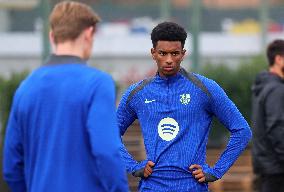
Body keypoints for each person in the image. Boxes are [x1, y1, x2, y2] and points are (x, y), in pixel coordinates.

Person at [3, 1, 128, 192]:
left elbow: (12, 167)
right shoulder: (98, 83)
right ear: (88, 34)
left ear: (52, 36)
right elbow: (107, 152)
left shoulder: (25, 88)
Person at [117, 21, 252, 191]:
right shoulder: (137, 93)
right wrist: (133, 166)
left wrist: (216, 171)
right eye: (162, 53)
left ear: (183, 54)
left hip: (191, 187)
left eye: (175, 53)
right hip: (152, 187)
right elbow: (110, 133)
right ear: (153, 53)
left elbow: (242, 130)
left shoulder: (205, 88)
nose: (169, 60)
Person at [251, 39, 284, 192]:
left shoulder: (264, 87)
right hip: (277, 170)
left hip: (267, 169)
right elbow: (277, 128)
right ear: (279, 59)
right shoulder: (276, 89)